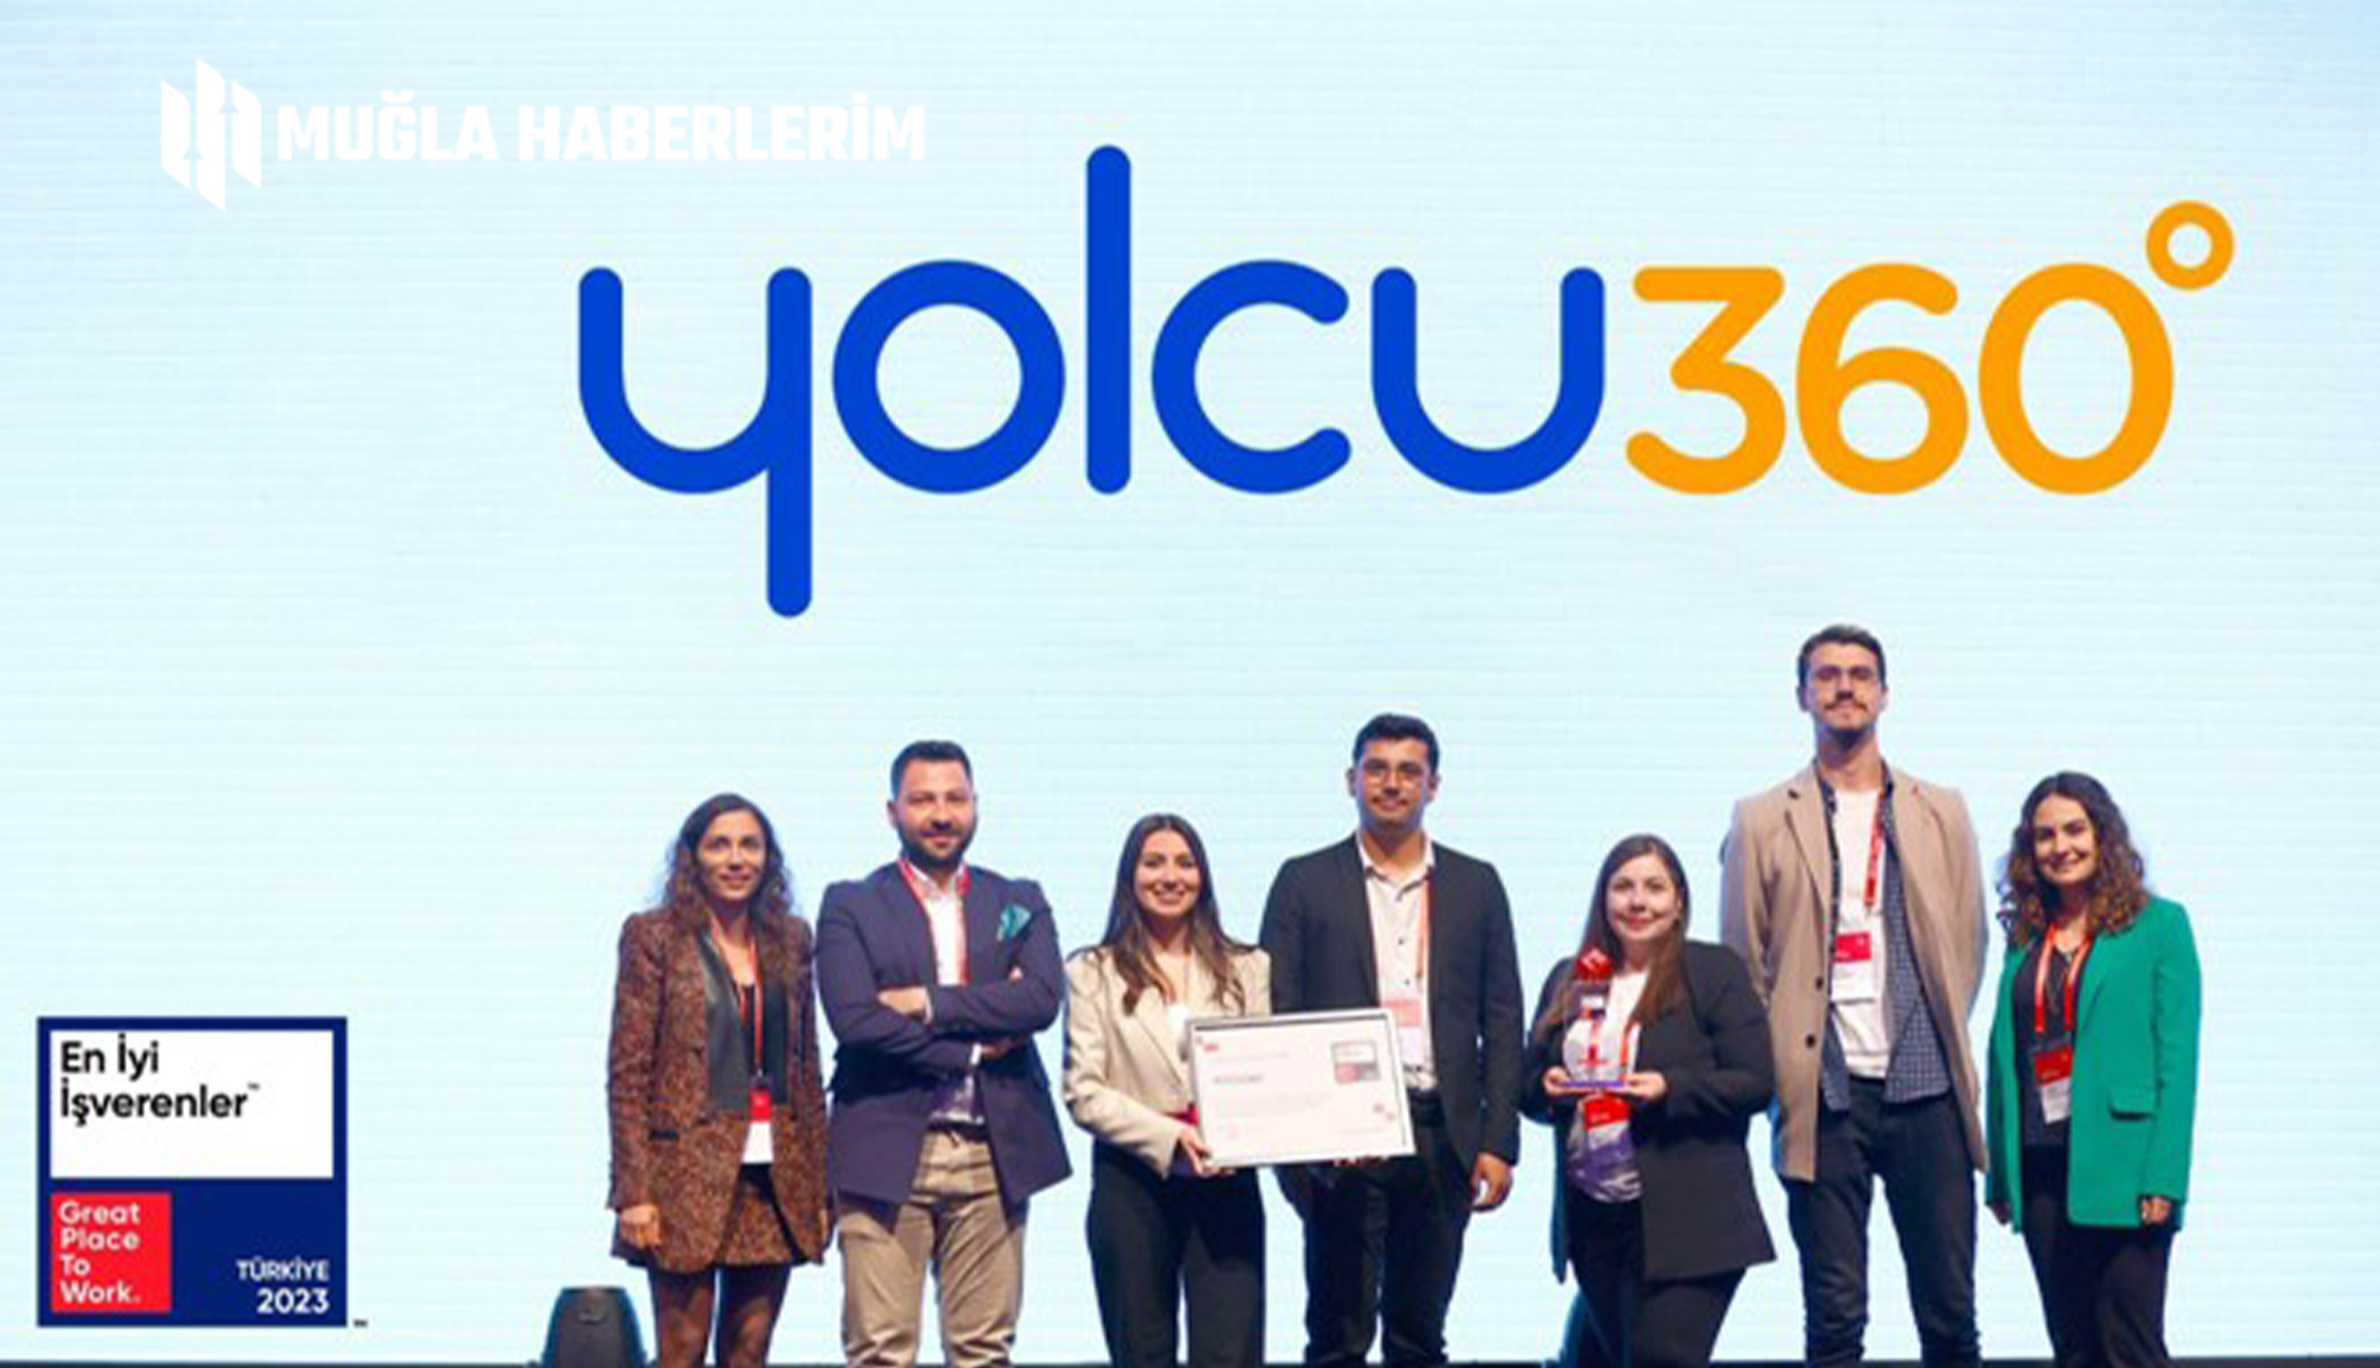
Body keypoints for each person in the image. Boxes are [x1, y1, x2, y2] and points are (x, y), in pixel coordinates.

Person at [1718, 625, 1988, 1368]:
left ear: (1885, 694)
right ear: (1802, 695)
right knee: (1835, 1317)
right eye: (1828, 675)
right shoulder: (1762, 817)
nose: (1845, 687)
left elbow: (1967, 943)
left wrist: (1933, 1030)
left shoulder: (1941, 809)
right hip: (1823, 1094)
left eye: (1861, 674)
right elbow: (1744, 962)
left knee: (1950, 1311)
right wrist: (1781, 1066)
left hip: (1926, 1089)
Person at [1260, 713, 1524, 1368]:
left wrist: (1498, 1142)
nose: (1391, 783)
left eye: (1409, 771)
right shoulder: (1303, 880)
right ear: (1350, 780)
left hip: (1443, 1133)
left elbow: (1502, 1016)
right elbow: (1277, 1009)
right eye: (1376, 769)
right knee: (1337, 1337)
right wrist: (1297, 1147)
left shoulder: (1477, 883)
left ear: (1433, 786)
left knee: (1420, 1335)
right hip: (1341, 1141)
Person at [816, 740, 1072, 1368]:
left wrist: (926, 1003)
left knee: (984, 1352)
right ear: (892, 811)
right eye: (922, 800)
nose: (940, 814)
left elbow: (1040, 999)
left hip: (994, 1152)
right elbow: (856, 1020)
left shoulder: (1019, 899)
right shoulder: (850, 903)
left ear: (975, 806)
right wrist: (974, 1050)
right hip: (883, 1150)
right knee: (880, 1352)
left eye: (954, 799)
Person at [1525, 835, 1774, 1368]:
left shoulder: (1712, 971)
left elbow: (1755, 1081)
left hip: (1691, 1222)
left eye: (1654, 888)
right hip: (1596, 1220)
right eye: (1623, 887)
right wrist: (1544, 1084)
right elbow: (1524, 1083)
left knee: (1661, 1358)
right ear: (1604, 898)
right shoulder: (1571, 976)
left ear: (1679, 901)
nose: (1638, 901)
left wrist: (1670, 1087)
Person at [1985, 773, 2200, 1368]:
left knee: (2130, 1346)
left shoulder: (2160, 926)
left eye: (2075, 830)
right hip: (2040, 1165)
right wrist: (2000, 1173)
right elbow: (2004, 1055)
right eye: (2045, 836)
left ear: (2103, 835)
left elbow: (2178, 1065)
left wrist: (2165, 1177)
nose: (2061, 847)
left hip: (2126, 1168)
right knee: (2073, 1347)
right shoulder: (2026, 936)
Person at [607, 793, 830, 1368]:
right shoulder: (654, 936)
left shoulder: (791, 939)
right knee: (682, 1350)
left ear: (768, 859)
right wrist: (633, 1193)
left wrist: (820, 1189)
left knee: (750, 1350)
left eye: (750, 846)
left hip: (775, 1179)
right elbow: (628, 1072)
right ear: (693, 858)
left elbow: (808, 1069)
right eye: (719, 845)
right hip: (682, 1177)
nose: (736, 859)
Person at [1064, 814, 1272, 1368]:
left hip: (1227, 1179)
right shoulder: (1092, 971)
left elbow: (1268, 1072)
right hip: (1132, 1181)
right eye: (1153, 863)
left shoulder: (1249, 967)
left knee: (1230, 1354)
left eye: (1185, 863)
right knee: (1141, 1353)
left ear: (1203, 876)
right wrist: (1169, 1138)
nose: (1170, 877)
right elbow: (1083, 1089)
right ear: (1129, 876)